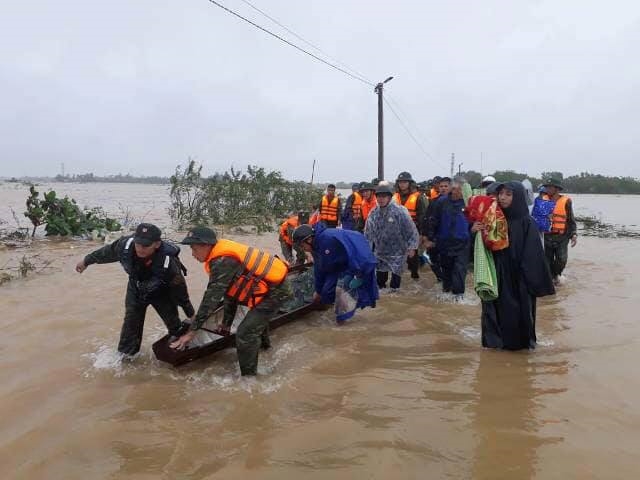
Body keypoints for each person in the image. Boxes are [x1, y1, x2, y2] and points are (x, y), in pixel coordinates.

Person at [170, 227, 291, 376]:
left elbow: (211, 300)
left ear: (206, 245)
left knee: (245, 334)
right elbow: (230, 292)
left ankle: (249, 379)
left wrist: (191, 332)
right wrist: (226, 323)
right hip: (266, 288)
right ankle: (265, 348)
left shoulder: (222, 261)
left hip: (275, 292)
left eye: (194, 249)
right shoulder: (219, 257)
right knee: (255, 324)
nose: (193, 255)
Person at [75, 223, 194, 356]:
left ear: (157, 244)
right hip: (136, 288)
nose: (140, 249)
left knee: (174, 324)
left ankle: (183, 348)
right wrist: (86, 261)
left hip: (162, 291)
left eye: (145, 245)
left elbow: (179, 288)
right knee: (131, 325)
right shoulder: (124, 246)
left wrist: (190, 313)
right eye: (138, 244)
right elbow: (106, 252)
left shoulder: (168, 262)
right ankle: (127, 359)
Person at [473, 182, 555, 350]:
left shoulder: (527, 223)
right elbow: (480, 250)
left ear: (517, 198)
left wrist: (531, 284)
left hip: (518, 280)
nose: (502, 197)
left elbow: (534, 256)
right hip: (495, 275)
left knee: (518, 316)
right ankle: (493, 348)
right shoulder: (492, 219)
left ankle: (520, 348)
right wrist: (474, 231)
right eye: (501, 194)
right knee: (492, 311)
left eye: (508, 194)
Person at [293, 223, 378, 321]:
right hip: (337, 264)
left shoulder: (327, 240)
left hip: (354, 262)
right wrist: (318, 290)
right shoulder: (315, 246)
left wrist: (358, 275)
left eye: (302, 246)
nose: (302, 249)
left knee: (341, 289)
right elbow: (319, 269)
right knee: (326, 293)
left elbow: (354, 253)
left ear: (309, 239)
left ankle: (343, 317)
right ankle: (336, 309)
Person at [365, 184, 420, 291]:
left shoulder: (399, 211)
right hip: (381, 252)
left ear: (390, 197)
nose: (381, 199)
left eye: (384, 196)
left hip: (398, 252)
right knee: (380, 284)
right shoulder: (373, 213)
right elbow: (368, 233)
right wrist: (367, 250)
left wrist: (412, 247)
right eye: (379, 197)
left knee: (395, 287)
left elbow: (411, 230)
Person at [425, 181, 471, 299]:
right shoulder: (442, 202)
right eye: (454, 189)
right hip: (444, 244)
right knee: (447, 277)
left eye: (460, 189)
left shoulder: (469, 203)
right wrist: (430, 238)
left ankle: (459, 298)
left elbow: (475, 220)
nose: (456, 192)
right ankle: (447, 297)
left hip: (463, 244)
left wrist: (474, 228)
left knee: (459, 272)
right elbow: (433, 220)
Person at [393, 171, 428, 279]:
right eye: (400, 182)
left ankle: (414, 274)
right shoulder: (394, 196)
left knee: (412, 255)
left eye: (405, 182)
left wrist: (422, 233)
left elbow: (422, 216)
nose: (402, 184)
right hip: (397, 231)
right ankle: (397, 278)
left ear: (410, 183)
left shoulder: (418, 197)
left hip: (414, 230)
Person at [542, 178, 577, 284]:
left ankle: (556, 274)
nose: (547, 189)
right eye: (546, 187)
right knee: (547, 260)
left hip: (562, 236)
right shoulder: (542, 200)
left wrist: (574, 234)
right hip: (547, 236)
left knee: (561, 260)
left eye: (550, 187)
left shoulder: (566, 201)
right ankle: (551, 279)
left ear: (556, 189)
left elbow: (571, 219)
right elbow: (537, 217)